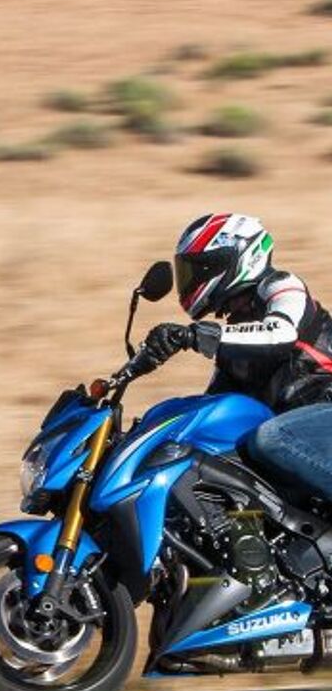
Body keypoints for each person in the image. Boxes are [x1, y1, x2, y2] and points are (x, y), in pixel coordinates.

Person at [141, 212, 332, 502]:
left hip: (324, 410)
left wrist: (195, 336)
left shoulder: (281, 285)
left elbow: (280, 333)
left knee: (271, 438)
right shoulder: (237, 339)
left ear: (238, 258)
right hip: (297, 428)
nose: (192, 279)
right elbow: (214, 409)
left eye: (201, 268)